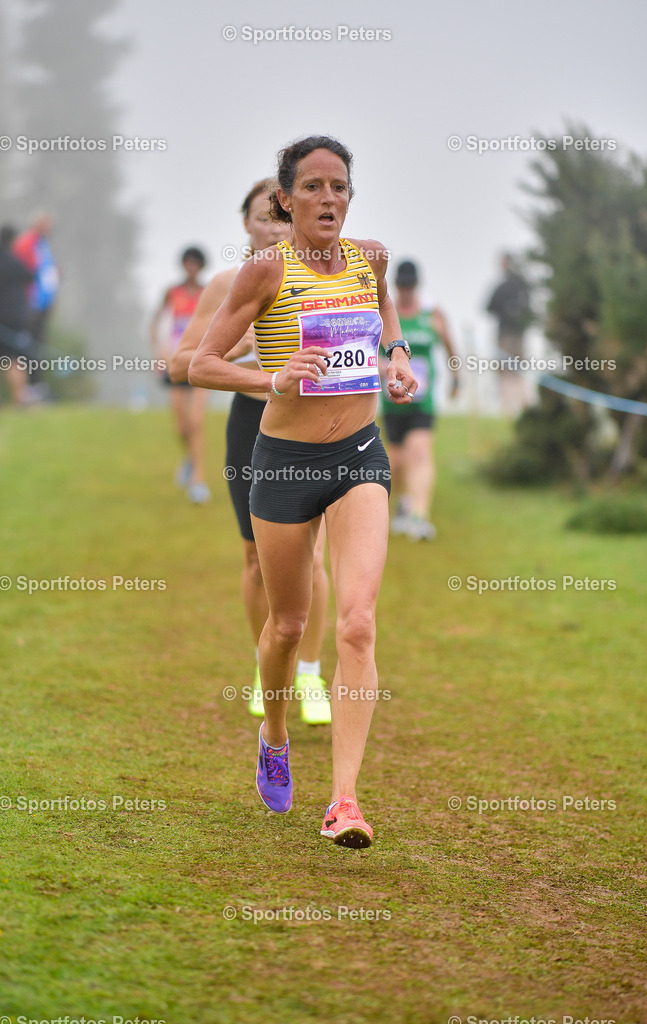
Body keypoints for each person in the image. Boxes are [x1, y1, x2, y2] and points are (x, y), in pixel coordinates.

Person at [188, 136, 417, 848]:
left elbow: (386, 320)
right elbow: (200, 364)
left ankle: (344, 800)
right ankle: (276, 731)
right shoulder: (262, 271)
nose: (328, 199)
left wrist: (398, 358)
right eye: (312, 187)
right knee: (287, 626)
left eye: (339, 186)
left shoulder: (369, 258)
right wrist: (271, 379)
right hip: (282, 460)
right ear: (285, 200)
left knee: (354, 623)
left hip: (358, 457)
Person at [171, 180, 331, 726]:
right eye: (264, 217)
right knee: (256, 560)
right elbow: (181, 364)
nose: (275, 226)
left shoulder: (321, 274)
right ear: (245, 223)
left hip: (315, 424)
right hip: (252, 425)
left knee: (312, 556)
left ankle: (310, 676)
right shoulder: (225, 284)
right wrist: (247, 359)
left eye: (283, 217)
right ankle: (267, 668)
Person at [383, 260, 459, 540]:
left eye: (409, 286)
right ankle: (405, 504)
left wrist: (456, 378)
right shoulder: (387, 315)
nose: (405, 291)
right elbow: (373, 354)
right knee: (398, 460)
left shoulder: (431, 313)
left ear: (416, 285)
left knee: (420, 451)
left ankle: (420, 516)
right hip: (391, 400)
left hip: (422, 400)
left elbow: (451, 346)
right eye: (401, 286)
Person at [151, 247, 211, 503]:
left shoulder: (208, 293)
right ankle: (189, 459)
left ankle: (198, 480)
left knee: (196, 421)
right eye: (188, 262)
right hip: (175, 361)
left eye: (196, 262)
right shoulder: (171, 292)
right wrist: (159, 352)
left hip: (199, 361)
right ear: (183, 264)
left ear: (201, 266)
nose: (192, 266)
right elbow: (156, 323)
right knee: (180, 425)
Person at [0, 226, 36, 407]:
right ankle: (19, 398)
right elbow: (31, 276)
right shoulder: (15, 261)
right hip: (15, 316)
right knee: (15, 358)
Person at [13, 211, 59, 398]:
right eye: (45, 223)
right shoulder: (27, 242)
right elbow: (23, 271)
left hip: (43, 306)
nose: (49, 227)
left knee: (38, 346)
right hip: (31, 304)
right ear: (37, 223)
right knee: (28, 346)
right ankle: (27, 388)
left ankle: (37, 386)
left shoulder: (43, 244)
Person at [486, 253, 532, 416]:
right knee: (512, 371)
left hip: (510, 337)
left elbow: (489, 308)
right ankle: (514, 406)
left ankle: (514, 406)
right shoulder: (520, 286)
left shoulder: (510, 286)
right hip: (511, 335)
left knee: (509, 371)